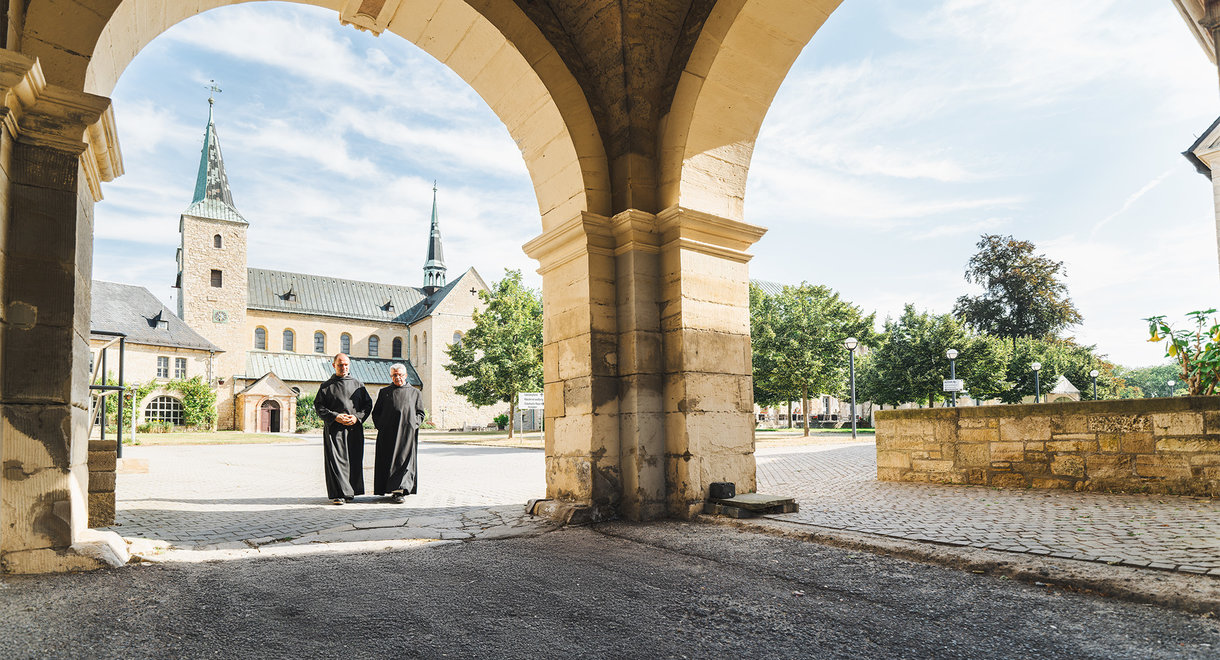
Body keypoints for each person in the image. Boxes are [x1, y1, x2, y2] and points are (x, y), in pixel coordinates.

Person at [314, 353, 372, 505]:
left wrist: (357, 418)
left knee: (353, 459)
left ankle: (350, 492)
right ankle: (339, 494)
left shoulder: (358, 384)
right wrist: (335, 416)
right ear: (333, 365)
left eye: (346, 364)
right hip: (334, 430)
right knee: (336, 461)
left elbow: (367, 405)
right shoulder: (326, 386)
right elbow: (319, 407)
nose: (343, 367)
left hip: (354, 429)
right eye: (340, 365)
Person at [372, 363, 426, 503]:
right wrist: (382, 427)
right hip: (388, 435)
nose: (398, 378)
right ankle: (388, 488)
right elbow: (376, 413)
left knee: (404, 462)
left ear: (406, 375)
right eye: (394, 375)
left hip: (406, 435)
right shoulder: (384, 392)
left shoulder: (415, 393)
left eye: (400, 375)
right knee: (388, 461)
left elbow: (420, 413)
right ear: (391, 376)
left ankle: (400, 490)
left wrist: (413, 425)